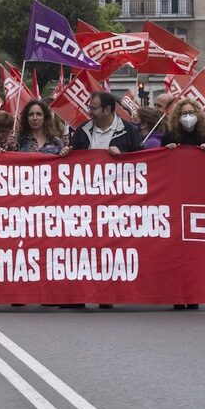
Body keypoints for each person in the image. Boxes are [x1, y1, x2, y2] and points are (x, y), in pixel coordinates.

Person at [68, 92, 141, 309]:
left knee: (111, 247)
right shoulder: (82, 130)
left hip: (116, 200)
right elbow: (72, 159)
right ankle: (80, 294)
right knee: (83, 248)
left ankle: (106, 293)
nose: (89, 111)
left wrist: (124, 153)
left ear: (108, 110)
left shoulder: (128, 131)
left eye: (94, 108)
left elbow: (142, 158)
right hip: (86, 200)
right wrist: (66, 153)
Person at [162, 97, 205, 310]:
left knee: (195, 253)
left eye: (190, 113)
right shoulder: (170, 137)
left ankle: (193, 295)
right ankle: (177, 294)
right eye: (183, 113)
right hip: (174, 200)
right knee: (176, 252)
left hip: (197, 201)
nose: (187, 117)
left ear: (198, 115)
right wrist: (168, 151)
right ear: (177, 116)